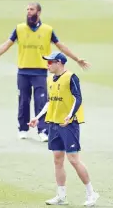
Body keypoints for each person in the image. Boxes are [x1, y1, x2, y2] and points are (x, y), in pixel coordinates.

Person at [0, 2, 90, 143]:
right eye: (27, 9)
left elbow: (61, 46)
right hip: (23, 71)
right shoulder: (19, 29)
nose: (28, 12)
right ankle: (23, 128)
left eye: (31, 9)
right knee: (24, 101)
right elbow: (6, 44)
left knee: (41, 101)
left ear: (38, 12)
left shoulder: (47, 30)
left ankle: (42, 130)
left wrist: (77, 59)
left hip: (40, 72)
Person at [28, 51, 99, 206]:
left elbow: (78, 98)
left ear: (59, 62)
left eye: (50, 62)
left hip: (69, 125)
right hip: (54, 124)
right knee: (57, 159)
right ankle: (61, 196)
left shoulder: (71, 77)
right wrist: (37, 117)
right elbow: (50, 101)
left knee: (73, 159)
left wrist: (70, 116)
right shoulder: (50, 79)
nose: (47, 65)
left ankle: (91, 193)